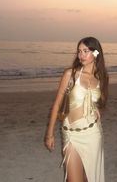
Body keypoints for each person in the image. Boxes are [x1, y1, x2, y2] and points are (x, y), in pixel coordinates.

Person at [44, 36, 109, 182]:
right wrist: (49, 134)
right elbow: (57, 104)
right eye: (79, 51)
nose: (81, 55)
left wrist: (97, 110)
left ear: (96, 53)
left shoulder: (101, 77)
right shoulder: (71, 74)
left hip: (92, 134)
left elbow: (101, 102)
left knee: (88, 177)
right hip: (71, 135)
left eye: (86, 51)